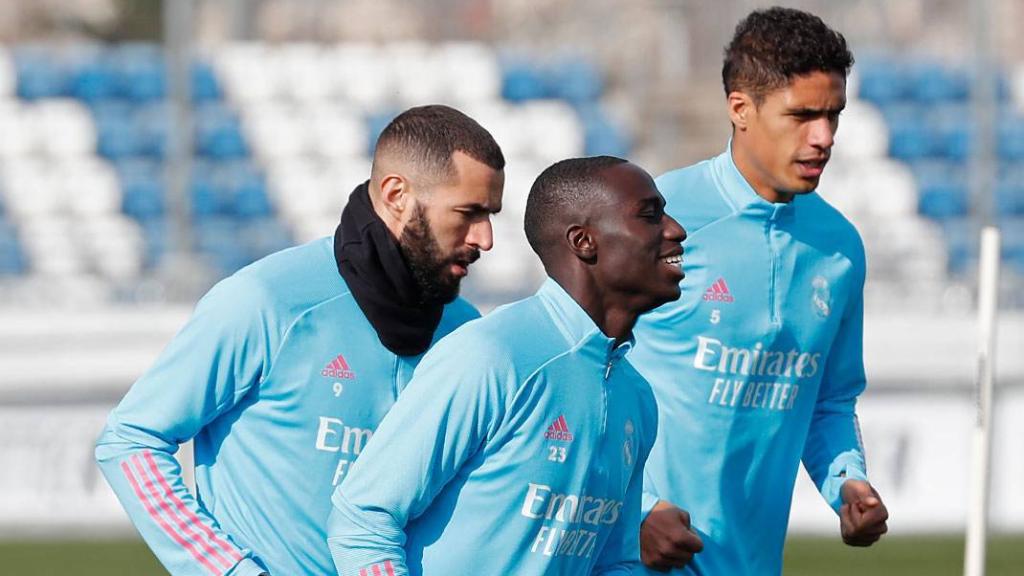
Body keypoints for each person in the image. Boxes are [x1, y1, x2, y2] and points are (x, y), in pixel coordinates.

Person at [95, 104, 505, 576]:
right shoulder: (268, 299)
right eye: (469, 213)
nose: (486, 238)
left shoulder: (467, 331)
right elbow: (131, 440)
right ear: (396, 195)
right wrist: (231, 571)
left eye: (490, 215)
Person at [326, 156, 686, 576]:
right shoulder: (492, 356)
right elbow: (361, 520)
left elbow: (613, 562)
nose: (675, 229)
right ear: (583, 241)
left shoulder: (636, 396)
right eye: (650, 215)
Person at [630, 7, 889, 576]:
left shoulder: (839, 247)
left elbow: (829, 399)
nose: (823, 137)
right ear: (740, 109)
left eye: (833, 116)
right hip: (633, 558)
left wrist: (848, 483)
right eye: (802, 115)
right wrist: (638, 511)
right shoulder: (657, 218)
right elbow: (584, 382)